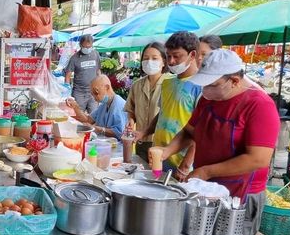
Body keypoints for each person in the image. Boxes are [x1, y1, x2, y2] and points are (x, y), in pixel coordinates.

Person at [155, 49, 280, 235]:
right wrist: (165, 152)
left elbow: (258, 158)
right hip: (205, 189)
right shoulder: (210, 98)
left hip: (240, 195)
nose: (205, 91)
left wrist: (208, 171)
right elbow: (190, 132)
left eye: (212, 85)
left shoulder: (259, 105)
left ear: (235, 81)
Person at [134, 31, 203, 174]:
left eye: (177, 56)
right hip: (160, 155)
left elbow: (202, 133)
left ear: (192, 55)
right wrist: (143, 132)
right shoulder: (168, 83)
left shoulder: (202, 86)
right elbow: (162, 114)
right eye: (168, 56)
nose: (171, 61)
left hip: (182, 164)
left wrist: (185, 165)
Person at [124, 42, 171, 162]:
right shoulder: (137, 85)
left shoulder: (170, 84)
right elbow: (131, 109)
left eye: (154, 58)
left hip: (162, 144)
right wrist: (130, 120)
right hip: (140, 141)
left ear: (164, 61)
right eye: (145, 58)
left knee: (159, 176)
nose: (149, 62)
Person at [67, 75, 127, 140]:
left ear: (107, 87)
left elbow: (120, 133)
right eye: (93, 94)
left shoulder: (119, 105)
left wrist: (98, 129)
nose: (94, 98)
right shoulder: (104, 104)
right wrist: (75, 107)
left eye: (96, 93)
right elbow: (88, 119)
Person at [64, 35, 101, 113]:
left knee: (94, 116)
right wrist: (67, 92)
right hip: (79, 93)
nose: (87, 49)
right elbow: (68, 75)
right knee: (78, 117)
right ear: (80, 45)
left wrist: (100, 85)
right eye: (85, 47)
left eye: (89, 47)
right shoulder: (74, 58)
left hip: (93, 92)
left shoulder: (95, 54)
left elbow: (98, 71)